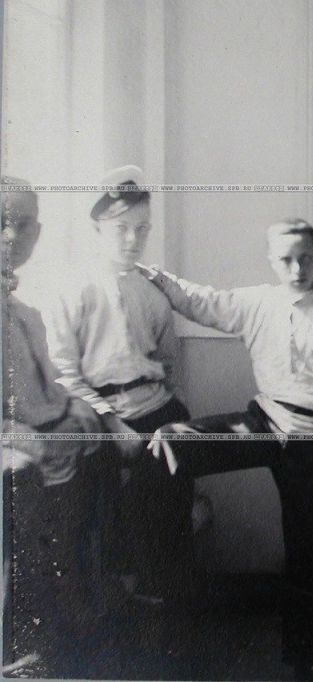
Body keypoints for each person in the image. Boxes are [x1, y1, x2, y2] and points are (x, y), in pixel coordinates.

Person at [142, 219, 313, 681]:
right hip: (264, 421)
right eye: (286, 259)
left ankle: (305, 660)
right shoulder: (257, 301)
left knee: (308, 554)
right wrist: (157, 278)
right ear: (272, 261)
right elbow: (200, 302)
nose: (297, 268)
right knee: (170, 443)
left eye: (305, 258)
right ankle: (156, 585)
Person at [43, 174, 194, 612]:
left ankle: (169, 588)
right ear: (97, 229)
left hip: (155, 406)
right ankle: (123, 590)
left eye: (142, 229)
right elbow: (64, 373)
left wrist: (172, 412)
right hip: (100, 414)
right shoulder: (72, 288)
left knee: (176, 470)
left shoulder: (152, 292)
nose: (133, 240)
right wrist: (112, 423)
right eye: (121, 229)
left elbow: (168, 365)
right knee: (113, 496)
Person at [1, 188, 116, 678]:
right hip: (17, 449)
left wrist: (79, 411)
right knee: (28, 482)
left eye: (24, 223)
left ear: (38, 233)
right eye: (2, 221)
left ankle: (83, 612)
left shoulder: (25, 314)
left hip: (45, 439)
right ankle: (31, 644)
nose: (12, 235)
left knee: (103, 450)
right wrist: (34, 440)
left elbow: (47, 387)